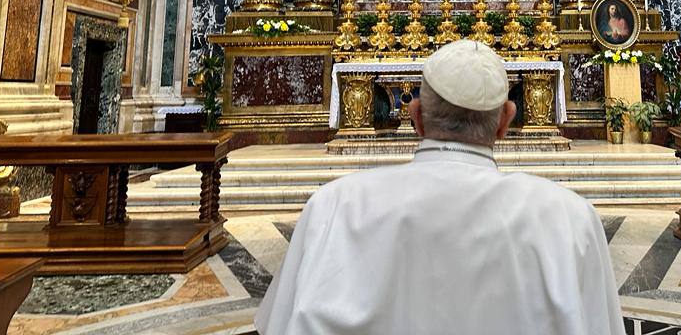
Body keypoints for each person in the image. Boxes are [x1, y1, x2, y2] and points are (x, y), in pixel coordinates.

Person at [256, 40, 624, 335]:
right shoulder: (570, 219)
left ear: (415, 116)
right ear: (505, 122)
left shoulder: (333, 208)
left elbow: (279, 324)